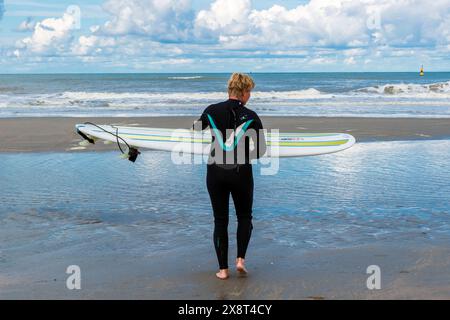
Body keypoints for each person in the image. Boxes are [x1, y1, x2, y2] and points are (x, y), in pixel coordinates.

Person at [193, 73, 266, 280]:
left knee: (220, 220)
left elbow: (196, 129)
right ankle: (240, 260)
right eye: (249, 91)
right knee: (244, 217)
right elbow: (261, 150)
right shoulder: (251, 116)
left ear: (229, 90)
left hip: (215, 172)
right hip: (240, 173)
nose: (249, 95)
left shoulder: (211, 110)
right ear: (244, 92)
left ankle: (223, 270)